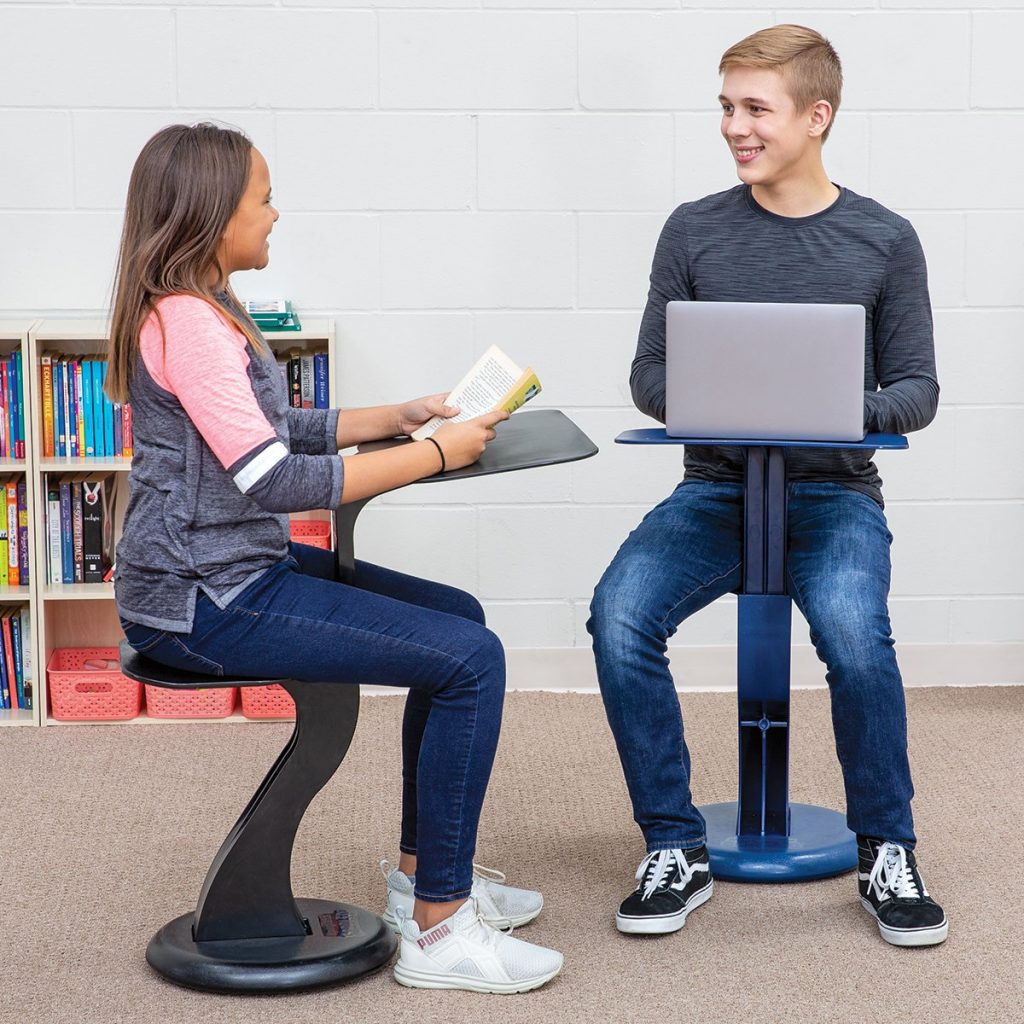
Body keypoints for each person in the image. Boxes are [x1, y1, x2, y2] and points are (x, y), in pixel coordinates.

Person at [106, 123, 563, 993]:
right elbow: (273, 476)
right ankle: (440, 932)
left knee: (456, 623)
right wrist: (438, 453)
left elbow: (269, 431)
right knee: (473, 659)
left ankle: (415, 880)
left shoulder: (201, 307)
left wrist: (400, 415)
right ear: (212, 215)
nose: (277, 214)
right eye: (263, 198)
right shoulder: (192, 325)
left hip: (233, 573)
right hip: (206, 603)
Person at [587, 25, 948, 948]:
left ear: (816, 116)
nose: (732, 127)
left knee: (856, 638)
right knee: (619, 615)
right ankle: (674, 845)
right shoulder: (693, 229)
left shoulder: (884, 238)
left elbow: (919, 390)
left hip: (833, 495)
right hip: (715, 491)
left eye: (754, 108)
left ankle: (888, 852)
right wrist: (726, 404)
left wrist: (830, 408)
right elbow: (650, 377)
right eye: (725, 107)